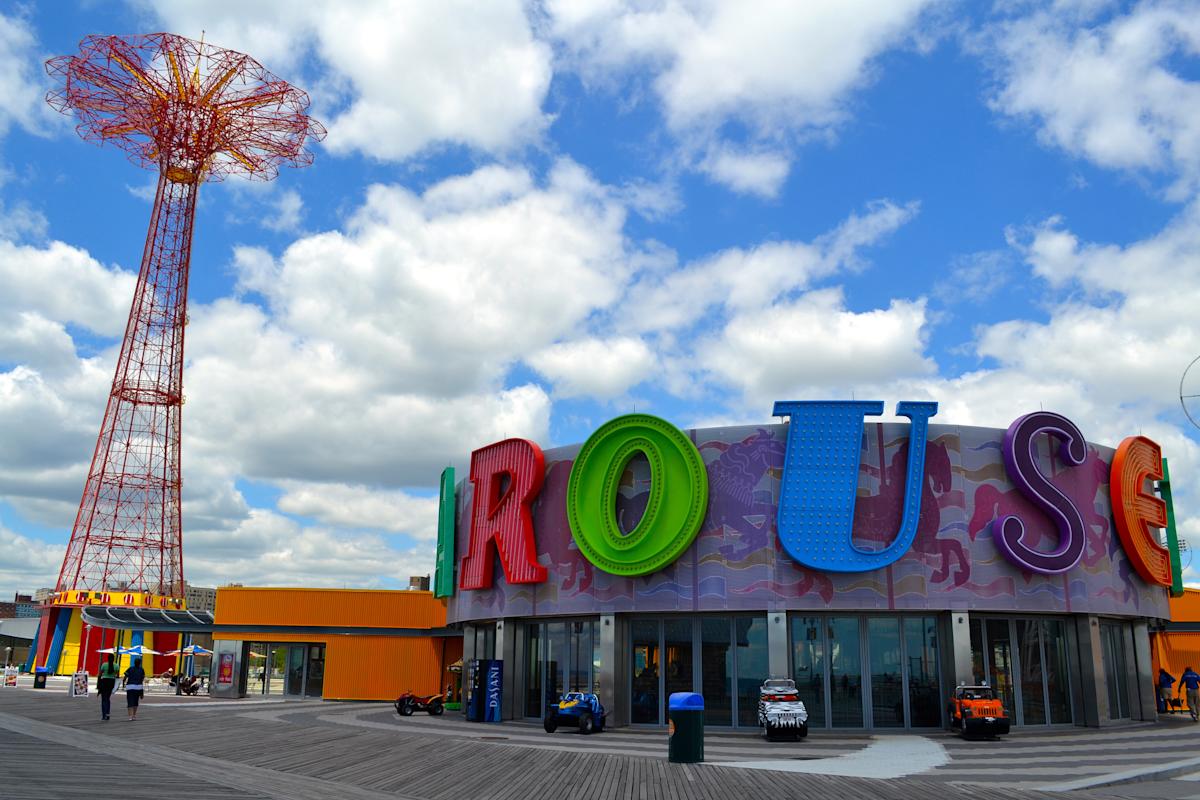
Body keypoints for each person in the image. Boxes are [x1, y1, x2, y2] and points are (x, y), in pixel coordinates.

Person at [96, 654, 118, 721]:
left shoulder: (104, 665)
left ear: (108, 658)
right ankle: (108, 714)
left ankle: (104, 715)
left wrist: (98, 685)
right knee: (108, 698)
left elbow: (100, 674)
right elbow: (116, 674)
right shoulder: (116, 666)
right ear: (113, 659)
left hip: (104, 682)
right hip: (111, 682)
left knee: (103, 699)